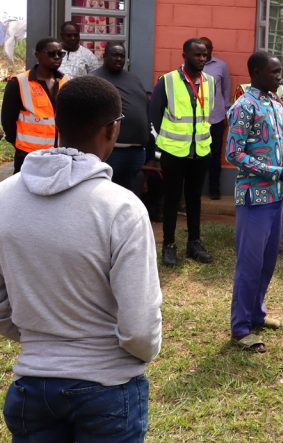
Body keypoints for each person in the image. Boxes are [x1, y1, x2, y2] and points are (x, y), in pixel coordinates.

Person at [0, 76, 163, 442]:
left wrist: (39, 340)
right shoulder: (121, 208)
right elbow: (139, 327)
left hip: (32, 388)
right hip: (108, 389)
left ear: (57, 123)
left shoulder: (4, 197)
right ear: (112, 129)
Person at [226, 51, 283, 352]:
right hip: (253, 198)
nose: (279, 77)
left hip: (274, 196)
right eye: (274, 72)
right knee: (249, 264)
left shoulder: (275, 104)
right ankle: (240, 328)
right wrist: (276, 171)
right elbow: (233, 153)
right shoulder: (243, 106)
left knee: (267, 261)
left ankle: (256, 314)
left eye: (280, 71)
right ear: (256, 72)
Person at [150, 38, 216, 267]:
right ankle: (168, 245)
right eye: (197, 55)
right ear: (184, 56)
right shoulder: (167, 81)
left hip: (200, 150)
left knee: (194, 199)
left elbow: (207, 112)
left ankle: (194, 243)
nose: (202, 59)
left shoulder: (210, 81)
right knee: (172, 198)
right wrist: (159, 146)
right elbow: (154, 115)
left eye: (205, 55)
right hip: (174, 151)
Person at [90, 42, 151, 194]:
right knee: (108, 194)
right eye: (115, 55)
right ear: (104, 56)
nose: (119, 59)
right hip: (112, 152)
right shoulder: (94, 79)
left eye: (122, 56)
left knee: (130, 195)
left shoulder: (133, 78)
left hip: (136, 151)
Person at [1, 38, 68, 173]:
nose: (57, 57)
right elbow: (8, 120)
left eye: (60, 54)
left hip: (59, 154)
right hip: (28, 155)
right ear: (38, 55)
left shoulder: (66, 82)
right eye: (51, 53)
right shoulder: (19, 82)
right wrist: (18, 145)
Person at [198, 37, 231, 200]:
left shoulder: (221, 66)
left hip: (216, 118)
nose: (204, 52)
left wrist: (225, 112)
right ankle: (196, 188)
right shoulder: (192, 65)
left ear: (212, 49)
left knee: (215, 155)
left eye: (207, 48)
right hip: (196, 119)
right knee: (197, 154)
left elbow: (226, 90)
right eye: (201, 48)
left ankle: (214, 189)